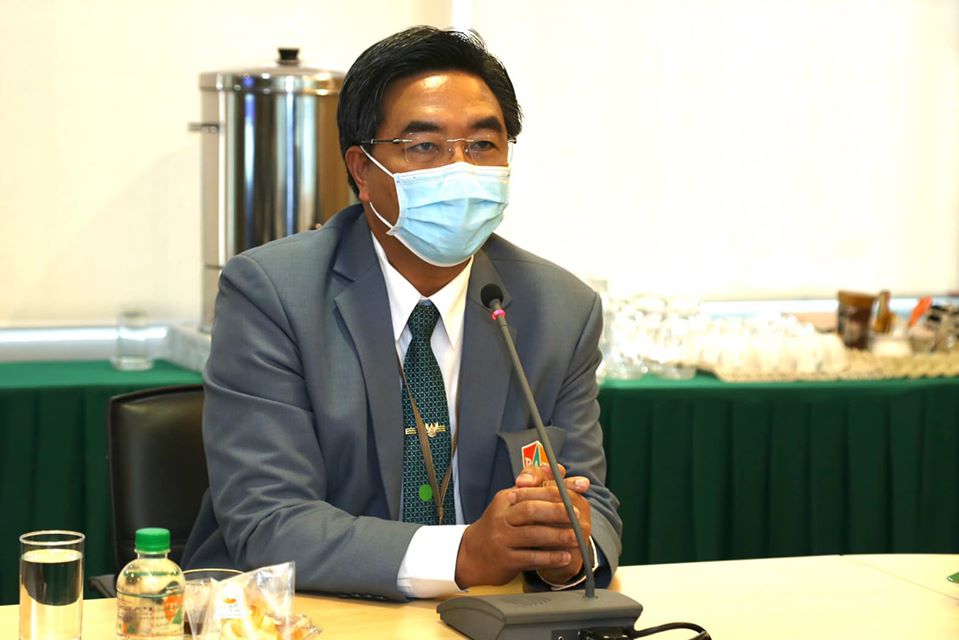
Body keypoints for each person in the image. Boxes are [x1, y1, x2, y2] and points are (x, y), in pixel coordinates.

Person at [183, 25, 621, 601]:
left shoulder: (560, 310)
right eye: (425, 147)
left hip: (486, 619)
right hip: (308, 615)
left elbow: (592, 505)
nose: (460, 169)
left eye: (482, 145)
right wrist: (463, 554)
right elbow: (268, 520)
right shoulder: (273, 294)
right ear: (363, 171)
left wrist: (565, 550)